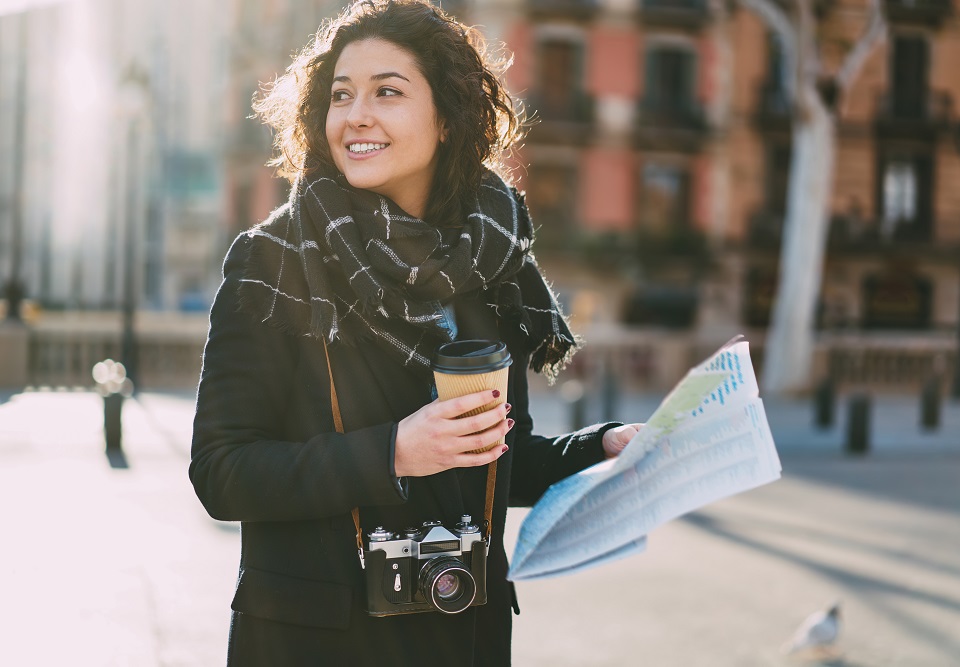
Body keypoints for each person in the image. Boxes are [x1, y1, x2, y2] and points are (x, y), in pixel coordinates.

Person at [189, 1, 642, 664]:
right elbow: (222, 471)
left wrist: (599, 447)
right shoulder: (275, 258)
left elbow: (483, 454)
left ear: (450, 120)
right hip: (318, 643)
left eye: (387, 92)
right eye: (340, 94)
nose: (355, 115)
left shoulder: (494, 258)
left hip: (463, 634)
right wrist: (393, 451)